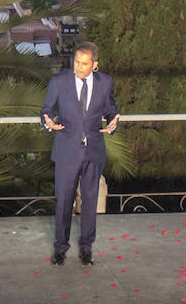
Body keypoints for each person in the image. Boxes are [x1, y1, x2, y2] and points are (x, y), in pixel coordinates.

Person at [40, 42, 118, 267]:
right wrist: (47, 121)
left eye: (84, 64)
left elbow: (110, 109)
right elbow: (46, 110)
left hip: (93, 152)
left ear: (95, 65)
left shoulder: (105, 83)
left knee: (90, 202)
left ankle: (86, 248)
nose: (79, 67)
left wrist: (113, 121)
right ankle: (60, 249)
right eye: (76, 62)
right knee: (64, 202)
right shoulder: (59, 81)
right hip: (66, 152)